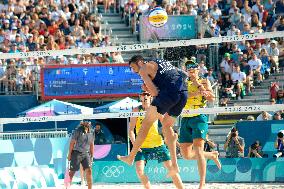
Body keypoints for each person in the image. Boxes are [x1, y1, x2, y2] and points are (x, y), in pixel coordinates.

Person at [118, 55, 188, 177]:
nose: (134, 71)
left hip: (170, 93)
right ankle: (175, 166)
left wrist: (147, 88)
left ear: (140, 62)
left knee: (145, 124)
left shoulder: (143, 69)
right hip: (183, 93)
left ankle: (131, 157)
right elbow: (179, 75)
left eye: (133, 67)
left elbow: (155, 93)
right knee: (166, 127)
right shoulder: (161, 60)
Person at [179, 60, 221, 189]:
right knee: (186, 155)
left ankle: (202, 184)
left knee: (198, 150)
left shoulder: (204, 81)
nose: (191, 69)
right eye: (188, 67)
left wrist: (199, 86)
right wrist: (197, 92)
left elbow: (211, 98)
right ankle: (212, 155)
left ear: (198, 69)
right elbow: (182, 96)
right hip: (185, 117)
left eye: (193, 66)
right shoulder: (183, 82)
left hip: (199, 116)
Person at [129, 91, 184, 189]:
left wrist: (171, 138)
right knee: (139, 171)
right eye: (143, 94)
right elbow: (131, 130)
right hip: (141, 146)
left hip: (157, 144)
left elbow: (166, 125)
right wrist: (135, 144)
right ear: (140, 97)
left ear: (151, 97)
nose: (145, 96)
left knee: (172, 170)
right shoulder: (136, 110)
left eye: (147, 94)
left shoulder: (156, 109)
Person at [67, 120, 95, 189]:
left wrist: (92, 155)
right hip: (76, 153)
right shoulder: (78, 130)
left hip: (86, 153)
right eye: (86, 121)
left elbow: (92, 144)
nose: (88, 123)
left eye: (89, 121)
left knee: (89, 171)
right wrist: (69, 154)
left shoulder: (92, 131)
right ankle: (67, 187)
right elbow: (72, 143)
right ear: (83, 122)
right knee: (72, 173)